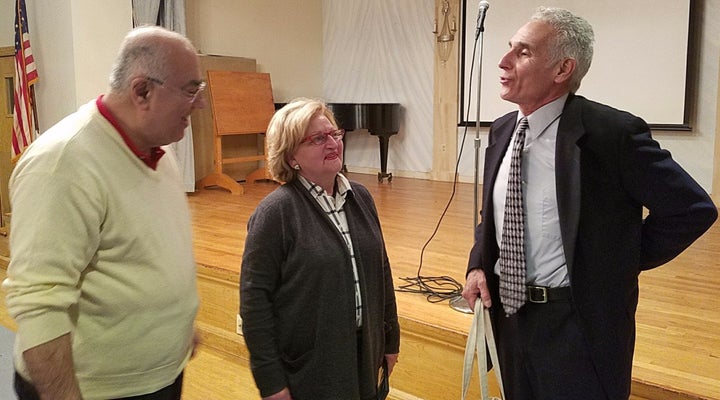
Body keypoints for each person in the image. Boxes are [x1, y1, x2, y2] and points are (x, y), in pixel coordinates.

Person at [462, 7, 717, 400]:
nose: (503, 61)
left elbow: (691, 209)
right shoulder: (501, 131)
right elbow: (495, 215)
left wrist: (618, 259)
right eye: (509, 48)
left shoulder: (612, 135)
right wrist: (479, 263)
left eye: (523, 52)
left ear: (562, 69)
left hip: (576, 328)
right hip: (509, 319)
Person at [2, 26, 206, 400]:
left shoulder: (158, 152)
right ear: (142, 90)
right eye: (191, 90)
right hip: (96, 390)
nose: (201, 104)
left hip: (159, 376)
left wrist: (177, 326)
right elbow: (38, 301)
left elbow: (147, 254)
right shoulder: (63, 163)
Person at [240, 98, 400, 400]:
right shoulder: (275, 213)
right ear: (291, 157)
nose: (333, 143)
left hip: (365, 357)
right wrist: (271, 381)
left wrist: (390, 340)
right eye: (318, 138)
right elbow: (254, 304)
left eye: (334, 134)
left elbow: (382, 271)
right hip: (311, 369)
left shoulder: (361, 197)